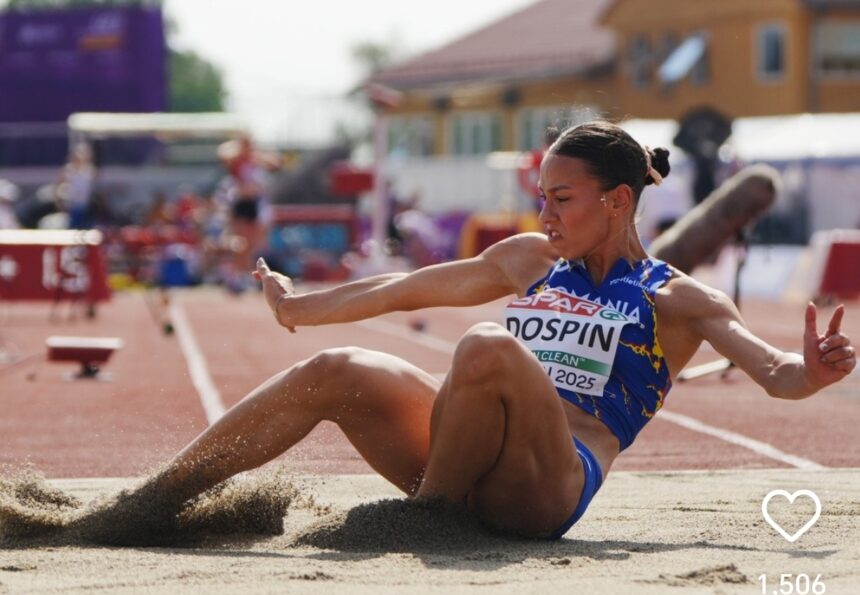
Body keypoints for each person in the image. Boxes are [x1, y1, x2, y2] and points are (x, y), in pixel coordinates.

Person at [84, 121, 856, 542]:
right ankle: (150, 501)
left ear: (618, 201)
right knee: (337, 366)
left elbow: (775, 371)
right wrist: (299, 308)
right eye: (541, 196)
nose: (544, 215)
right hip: (464, 450)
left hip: (547, 483)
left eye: (561, 199)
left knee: (489, 347)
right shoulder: (532, 259)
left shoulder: (680, 299)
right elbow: (405, 288)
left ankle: (425, 519)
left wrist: (813, 370)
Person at [217, 134, 281, 289]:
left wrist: (256, 155)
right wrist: (241, 150)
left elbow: (277, 163)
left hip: (254, 203)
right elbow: (222, 154)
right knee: (240, 242)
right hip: (240, 202)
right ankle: (236, 275)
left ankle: (246, 275)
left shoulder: (256, 158)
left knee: (253, 245)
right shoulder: (235, 159)